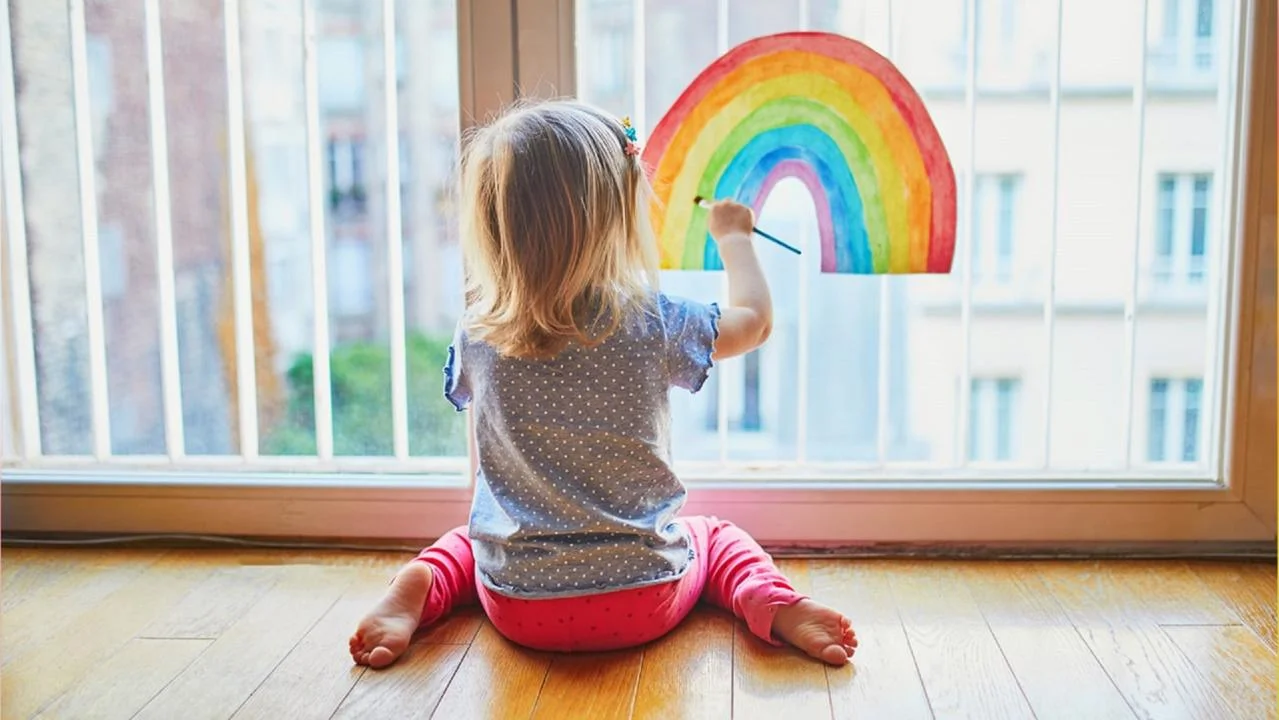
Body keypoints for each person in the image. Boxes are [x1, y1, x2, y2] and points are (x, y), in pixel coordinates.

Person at [348, 100, 857, 669]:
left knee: (468, 544)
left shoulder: (478, 333)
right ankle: (774, 603)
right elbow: (756, 322)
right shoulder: (654, 320)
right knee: (715, 537)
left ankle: (417, 586)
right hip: (642, 598)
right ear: (616, 219)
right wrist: (735, 239)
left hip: (519, 605)